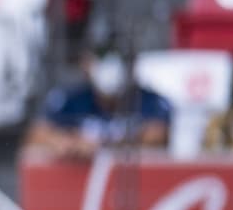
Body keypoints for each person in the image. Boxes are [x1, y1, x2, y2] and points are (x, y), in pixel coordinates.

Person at [23, 51, 171, 159]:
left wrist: (101, 146)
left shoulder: (150, 100)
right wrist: (65, 142)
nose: (110, 67)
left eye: (119, 59)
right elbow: (37, 134)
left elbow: (157, 136)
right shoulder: (70, 98)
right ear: (86, 64)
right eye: (101, 57)